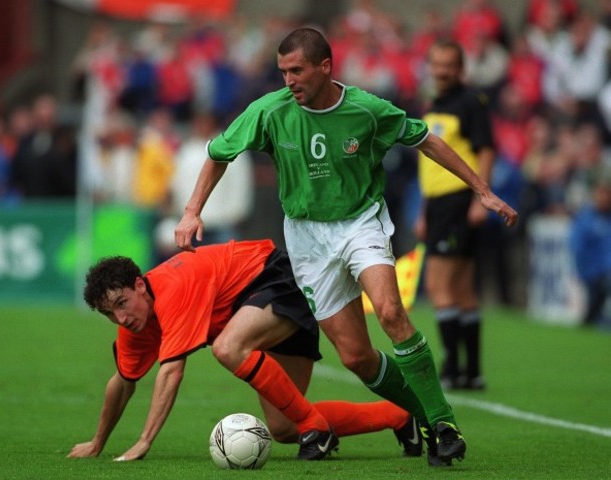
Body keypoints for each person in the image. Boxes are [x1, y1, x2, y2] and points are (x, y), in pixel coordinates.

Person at [174, 27, 518, 466]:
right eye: (283, 72)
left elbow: (426, 140)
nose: (289, 80)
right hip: (307, 238)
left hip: (360, 222)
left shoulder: (367, 109)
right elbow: (219, 153)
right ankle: (419, 417)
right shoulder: (269, 111)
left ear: (325, 67)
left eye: (297, 70)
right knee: (356, 357)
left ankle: (444, 422)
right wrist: (192, 210)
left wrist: (481, 190)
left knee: (392, 313)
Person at [68, 239, 427, 462]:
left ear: (140, 285)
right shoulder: (133, 323)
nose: (120, 317)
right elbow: (123, 381)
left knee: (228, 347)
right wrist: (98, 442)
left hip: (274, 277)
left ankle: (316, 429)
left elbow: (172, 370)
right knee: (285, 427)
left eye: (121, 303)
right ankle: (397, 416)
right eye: (109, 313)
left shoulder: (172, 289)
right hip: (258, 313)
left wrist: (144, 441)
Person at [414, 40, 496, 391]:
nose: (441, 71)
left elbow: (486, 150)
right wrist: (423, 210)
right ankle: (471, 372)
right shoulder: (434, 105)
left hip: (458, 200)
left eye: (448, 65)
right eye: (437, 64)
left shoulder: (469, 102)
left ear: (460, 69)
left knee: (438, 285)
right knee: (461, 288)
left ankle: (451, 367)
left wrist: (482, 197)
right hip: (438, 204)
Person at [569, 167, 611, 329]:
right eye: (601, 192)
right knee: (594, 308)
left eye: (607, 192)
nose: (605, 197)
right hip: (593, 275)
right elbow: (577, 248)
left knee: (595, 312)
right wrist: (587, 272)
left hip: (606, 274)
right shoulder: (586, 218)